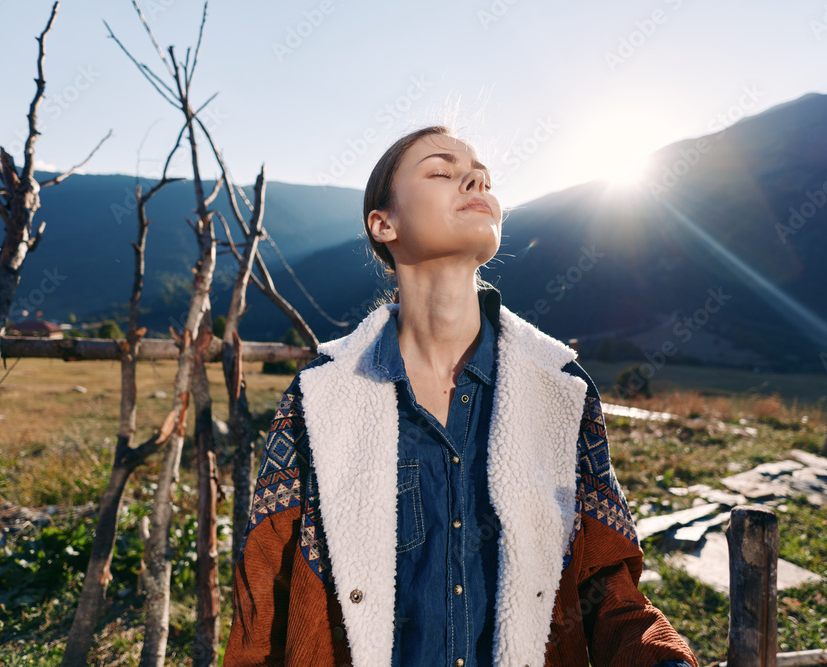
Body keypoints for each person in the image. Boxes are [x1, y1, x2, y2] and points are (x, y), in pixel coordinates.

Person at [224, 126, 697, 667]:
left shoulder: (561, 390)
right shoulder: (319, 399)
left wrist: (661, 659)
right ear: (383, 224)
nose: (476, 180)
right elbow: (266, 600)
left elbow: (606, 584)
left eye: (483, 176)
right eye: (442, 171)